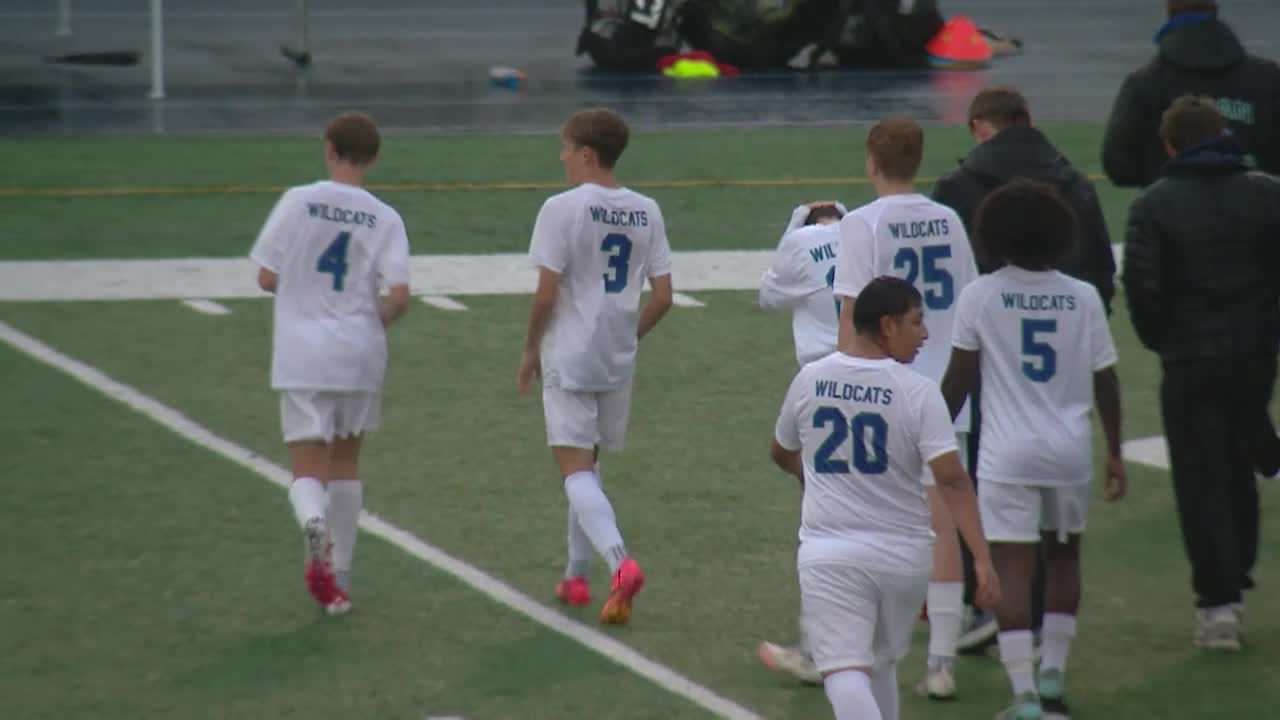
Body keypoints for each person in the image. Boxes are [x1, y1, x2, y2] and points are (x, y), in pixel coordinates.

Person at [932, 85, 1116, 655]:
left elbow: (944, 280)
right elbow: (1102, 273)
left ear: (977, 125)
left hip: (992, 372)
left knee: (987, 502)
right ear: (1028, 119)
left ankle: (987, 608)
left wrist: (931, 424)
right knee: (1062, 548)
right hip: (1063, 390)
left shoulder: (960, 188)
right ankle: (1047, 653)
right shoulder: (1075, 185)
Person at [770, 275, 1000, 720]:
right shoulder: (919, 392)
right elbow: (952, 481)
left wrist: (814, 477)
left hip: (831, 551)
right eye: (917, 321)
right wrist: (982, 558)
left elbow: (781, 451)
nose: (925, 333)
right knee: (880, 666)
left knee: (842, 672)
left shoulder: (811, 378)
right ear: (888, 325)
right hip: (903, 556)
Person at [940, 178, 1126, 719]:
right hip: (1069, 453)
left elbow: (959, 380)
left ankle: (1022, 696)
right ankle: (1053, 681)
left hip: (1007, 456)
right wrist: (1115, 451)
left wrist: (928, 435)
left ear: (993, 234)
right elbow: (1107, 380)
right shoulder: (1083, 297)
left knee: (1012, 567)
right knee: (1064, 558)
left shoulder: (980, 296)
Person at [1122, 95, 1280, 649]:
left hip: (1189, 360)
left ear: (1170, 146)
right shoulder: (1267, 193)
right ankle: (1237, 573)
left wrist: (1165, 341)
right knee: (1239, 466)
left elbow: (1143, 286)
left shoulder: (1154, 204)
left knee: (1200, 478)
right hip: (1253, 356)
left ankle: (1218, 603)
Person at [832, 115, 980, 700]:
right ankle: (941, 661)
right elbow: (967, 300)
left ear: (872, 160)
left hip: (886, 387)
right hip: (946, 386)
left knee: (868, 517)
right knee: (942, 524)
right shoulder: (949, 219)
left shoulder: (863, 223)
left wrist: (842, 381)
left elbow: (852, 314)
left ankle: (859, 645)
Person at [249, 111, 412, 615]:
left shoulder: (299, 200)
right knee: (346, 465)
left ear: (328, 148)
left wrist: (302, 293)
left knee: (307, 468)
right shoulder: (385, 217)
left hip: (303, 352)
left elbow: (266, 277)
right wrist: (368, 324)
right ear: (373, 158)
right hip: (360, 352)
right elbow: (399, 295)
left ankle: (313, 524)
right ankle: (338, 579)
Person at [517, 107, 675, 625]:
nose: (561, 157)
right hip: (616, 356)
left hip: (569, 352)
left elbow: (545, 295)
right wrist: (628, 336)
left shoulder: (561, 208)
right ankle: (576, 575)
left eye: (566, 148)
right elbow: (664, 296)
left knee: (575, 470)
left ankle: (619, 561)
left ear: (587, 153)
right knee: (590, 466)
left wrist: (530, 348)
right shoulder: (647, 209)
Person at [1102, 0, 1280, 189]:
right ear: (1215, 11)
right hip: (1255, 204)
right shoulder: (1268, 78)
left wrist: (1158, 174)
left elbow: (1119, 166)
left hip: (1167, 205)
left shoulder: (1144, 84)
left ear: (1170, 13)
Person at [758, 200, 847, 366]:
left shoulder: (800, 242)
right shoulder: (863, 237)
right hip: (866, 358)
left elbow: (767, 297)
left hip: (819, 364)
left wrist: (791, 230)